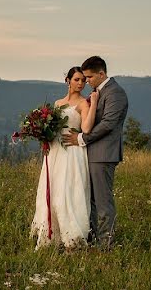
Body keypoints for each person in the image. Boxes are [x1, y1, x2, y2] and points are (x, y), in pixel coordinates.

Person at [63, 56, 128, 249]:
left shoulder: (115, 93)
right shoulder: (97, 92)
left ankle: (106, 244)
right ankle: (91, 237)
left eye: (89, 77)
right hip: (90, 154)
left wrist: (82, 138)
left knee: (102, 201)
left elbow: (108, 124)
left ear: (101, 73)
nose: (86, 81)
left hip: (103, 154)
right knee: (89, 199)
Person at [31, 67, 95, 248]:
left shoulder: (84, 103)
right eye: (77, 79)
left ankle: (73, 236)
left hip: (73, 151)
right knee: (53, 189)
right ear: (67, 80)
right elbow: (53, 129)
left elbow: (87, 129)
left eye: (83, 80)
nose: (81, 84)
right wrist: (44, 136)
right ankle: (51, 234)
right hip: (55, 151)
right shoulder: (58, 103)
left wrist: (94, 103)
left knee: (69, 191)